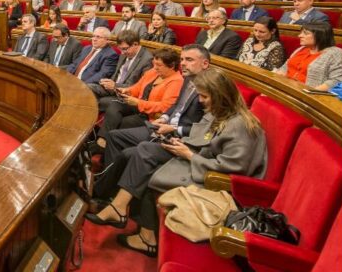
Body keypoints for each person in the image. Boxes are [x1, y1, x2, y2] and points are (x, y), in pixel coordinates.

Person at [87, 68, 266, 258]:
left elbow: (233, 168)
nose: (200, 101)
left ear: (220, 95)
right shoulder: (221, 112)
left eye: (204, 96)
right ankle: (126, 216)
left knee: (147, 164)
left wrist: (189, 154)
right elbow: (204, 139)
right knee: (139, 152)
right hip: (199, 160)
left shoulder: (241, 126)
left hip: (214, 178)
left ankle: (130, 221)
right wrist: (183, 145)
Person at [96, 48, 183, 139]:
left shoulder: (177, 81)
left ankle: (103, 144)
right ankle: (103, 139)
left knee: (124, 122)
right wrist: (127, 91)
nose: (155, 67)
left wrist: (138, 102)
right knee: (114, 105)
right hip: (138, 106)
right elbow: (138, 87)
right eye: (154, 64)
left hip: (150, 115)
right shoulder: (154, 72)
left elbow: (165, 107)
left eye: (159, 65)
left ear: (172, 66)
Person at [276, 22, 342, 91]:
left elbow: (338, 80)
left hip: (308, 95)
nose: (299, 35)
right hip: (285, 88)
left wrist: (311, 92)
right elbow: (285, 68)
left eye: (305, 33)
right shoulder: (301, 49)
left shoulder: (336, 53)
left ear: (320, 36)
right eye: (301, 32)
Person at [91, 30, 154, 102]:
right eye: (120, 49)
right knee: (87, 88)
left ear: (135, 44)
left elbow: (141, 86)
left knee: (103, 102)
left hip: (127, 94)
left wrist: (115, 86)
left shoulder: (147, 59)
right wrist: (107, 82)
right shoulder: (124, 53)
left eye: (124, 49)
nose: (122, 52)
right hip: (112, 89)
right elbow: (116, 75)